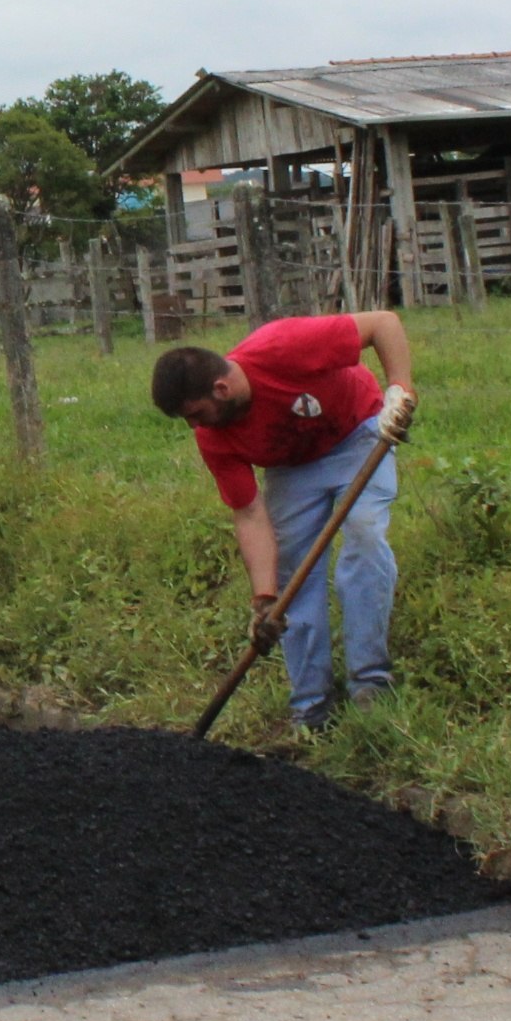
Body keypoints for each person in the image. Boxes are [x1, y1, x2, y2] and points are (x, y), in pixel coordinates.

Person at [151, 311, 417, 731]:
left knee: (364, 541)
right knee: (291, 579)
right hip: (292, 469)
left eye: (197, 413)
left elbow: (384, 323)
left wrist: (400, 391)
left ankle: (370, 685)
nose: (194, 426)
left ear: (221, 388)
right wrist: (264, 599)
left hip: (359, 434)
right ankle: (312, 709)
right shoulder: (214, 437)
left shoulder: (284, 346)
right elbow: (249, 513)